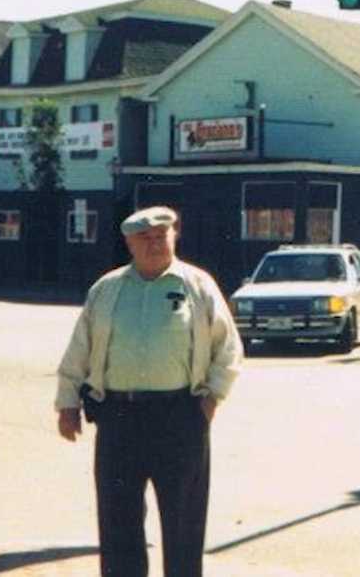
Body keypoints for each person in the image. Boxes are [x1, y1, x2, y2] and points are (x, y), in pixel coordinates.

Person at [54, 205, 243, 577]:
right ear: (129, 243)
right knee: (118, 518)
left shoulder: (197, 285)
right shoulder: (107, 290)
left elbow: (229, 348)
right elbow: (80, 349)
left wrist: (210, 400)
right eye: (145, 238)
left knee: (184, 523)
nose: (155, 243)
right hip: (119, 419)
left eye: (162, 236)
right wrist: (67, 403)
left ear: (175, 236)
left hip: (180, 417)